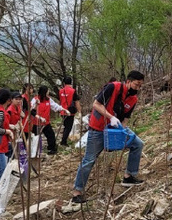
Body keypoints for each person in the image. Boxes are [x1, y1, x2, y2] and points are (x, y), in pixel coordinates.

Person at [70, 71, 146, 204]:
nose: (138, 88)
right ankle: (77, 192)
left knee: (137, 144)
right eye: (136, 84)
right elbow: (96, 104)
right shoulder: (112, 87)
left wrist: (120, 133)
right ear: (128, 82)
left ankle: (129, 176)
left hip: (115, 130)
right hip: (98, 129)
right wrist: (111, 117)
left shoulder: (133, 99)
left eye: (140, 86)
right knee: (89, 159)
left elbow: (125, 119)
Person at [31, 85, 69, 155]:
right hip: (37, 123)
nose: (48, 92)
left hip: (46, 122)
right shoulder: (35, 99)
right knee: (36, 138)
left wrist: (63, 109)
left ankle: (52, 149)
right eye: (47, 91)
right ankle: (34, 152)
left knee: (51, 135)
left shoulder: (48, 99)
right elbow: (32, 110)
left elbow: (55, 106)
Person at [59, 76, 81, 146]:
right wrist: (79, 111)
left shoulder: (60, 91)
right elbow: (76, 102)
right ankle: (63, 141)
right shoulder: (73, 91)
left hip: (62, 111)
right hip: (70, 111)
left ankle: (63, 140)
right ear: (71, 82)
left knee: (65, 126)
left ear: (64, 83)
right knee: (68, 127)